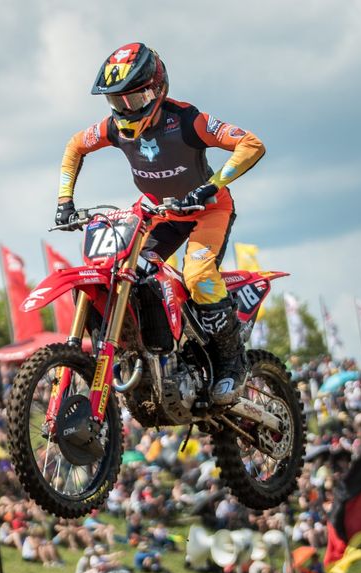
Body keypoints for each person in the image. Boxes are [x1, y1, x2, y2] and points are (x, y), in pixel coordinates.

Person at [55, 42, 266, 404]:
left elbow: (251, 144)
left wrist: (211, 186)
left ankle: (232, 361)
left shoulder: (187, 120)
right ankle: (148, 351)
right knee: (123, 270)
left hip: (208, 210)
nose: (125, 110)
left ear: (156, 90)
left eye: (134, 100)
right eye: (117, 101)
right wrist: (64, 201)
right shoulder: (113, 128)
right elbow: (75, 146)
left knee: (198, 275)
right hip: (159, 213)